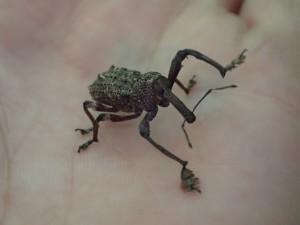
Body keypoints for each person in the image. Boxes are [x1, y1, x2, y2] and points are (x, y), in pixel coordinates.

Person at [0, 1, 299, 224]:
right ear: (151, 97)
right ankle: (101, 140)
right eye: (162, 92)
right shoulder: (137, 107)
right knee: (97, 113)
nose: (167, 96)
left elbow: (168, 83)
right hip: (115, 96)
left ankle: (223, 69)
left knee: (183, 54)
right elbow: (132, 118)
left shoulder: (157, 85)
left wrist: (177, 89)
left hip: (139, 84)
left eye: (165, 90)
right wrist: (93, 133)